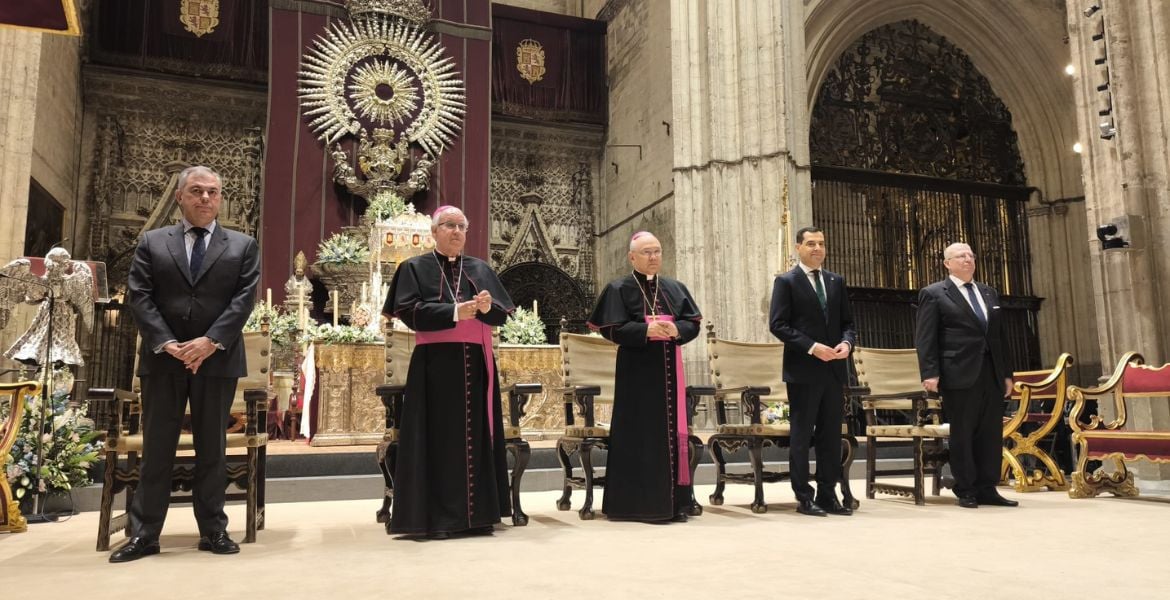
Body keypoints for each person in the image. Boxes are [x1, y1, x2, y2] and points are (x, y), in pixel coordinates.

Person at [112, 166, 260, 562]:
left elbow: (244, 299)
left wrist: (210, 341)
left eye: (213, 192)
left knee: (212, 448)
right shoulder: (153, 241)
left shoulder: (243, 245)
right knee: (158, 447)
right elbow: (139, 296)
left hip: (218, 359)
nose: (206, 199)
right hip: (164, 359)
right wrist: (167, 342)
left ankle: (213, 530)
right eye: (197, 191)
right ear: (180, 197)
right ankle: (145, 534)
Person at [382, 205, 515, 539]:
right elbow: (410, 312)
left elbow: (501, 315)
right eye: (449, 225)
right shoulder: (413, 268)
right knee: (437, 438)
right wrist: (456, 311)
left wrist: (486, 308)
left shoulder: (480, 269)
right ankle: (438, 518)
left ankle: (479, 515)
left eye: (462, 226)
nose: (457, 231)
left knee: (477, 436)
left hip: (477, 363)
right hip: (435, 366)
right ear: (434, 232)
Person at [588, 231, 702, 523]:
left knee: (669, 435)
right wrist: (644, 331)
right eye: (647, 252)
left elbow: (692, 323)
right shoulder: (618, 288)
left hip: (669, 373)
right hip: (636, 375)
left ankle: (673, 504)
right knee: (639, 436)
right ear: (632, 257)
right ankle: (636, 505)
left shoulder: (675, 288)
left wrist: (678, 331)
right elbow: (610, 329)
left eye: (658, 251)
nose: (654, 257)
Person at [915, 242, 1017, 509]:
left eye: (971, 255)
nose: (968, 260)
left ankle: (987, 487)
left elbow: (999, 337)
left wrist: (1007, 374)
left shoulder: (988, 292)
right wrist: (930, 372)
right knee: (963, 431)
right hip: (958, 371)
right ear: (947, 263)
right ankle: (966, 488)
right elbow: (926, 338)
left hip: (990, 371)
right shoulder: (935, 293)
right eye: (961, 256)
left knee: (990, 432)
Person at [768, 226, 856, 517]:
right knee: (803, 436)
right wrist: (811, 347)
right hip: (804, 369)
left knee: (831, 436)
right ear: (798, 247)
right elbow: (778, 324)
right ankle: (804, 497)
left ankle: (828, 494)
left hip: (834, 370)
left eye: (821, 243)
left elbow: (847, 323)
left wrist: (846, 343)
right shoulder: (787, 281)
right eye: (810, 243)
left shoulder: (835, 281)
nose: (817, 248)